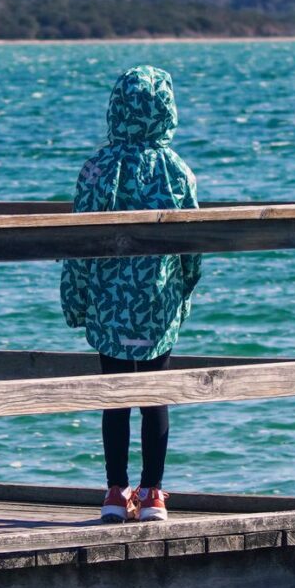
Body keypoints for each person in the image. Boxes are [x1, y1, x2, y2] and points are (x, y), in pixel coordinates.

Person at [59, 65, 202, 523]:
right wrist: (184, 287)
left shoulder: (96, 169)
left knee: (114, 395)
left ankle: (115, 493)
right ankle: (154, 493)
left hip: (108, 303)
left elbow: (76, 247)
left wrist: (76, 300)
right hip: (159, 302)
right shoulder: (177, 171)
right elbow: (193, 245)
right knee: (154, 395)